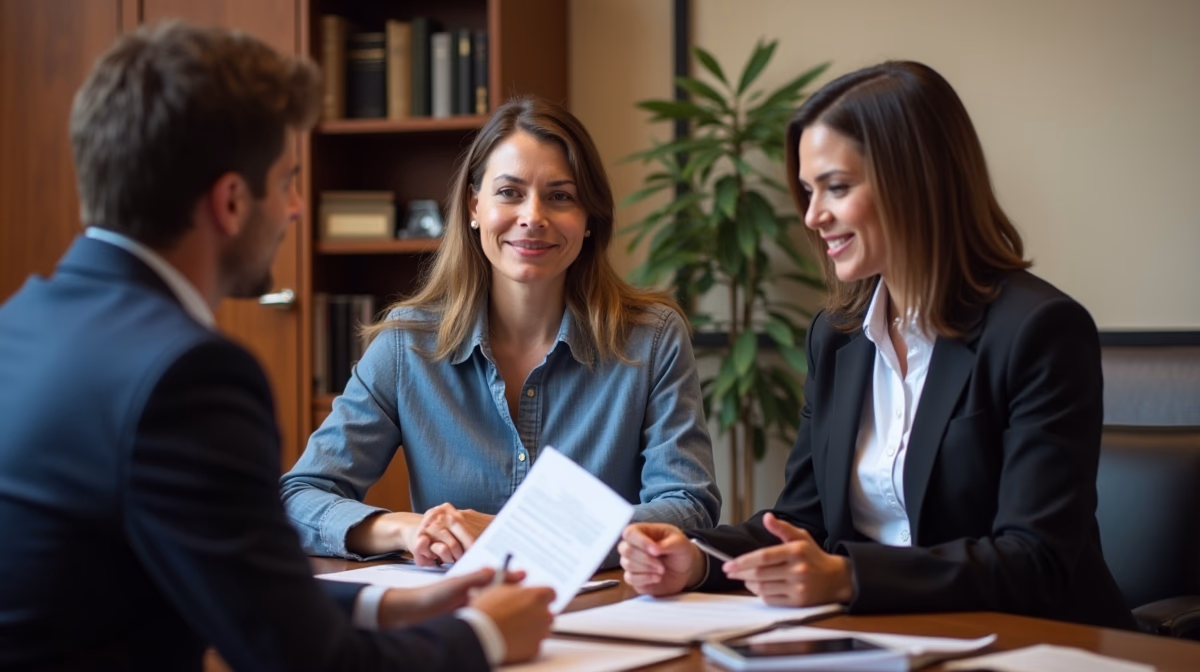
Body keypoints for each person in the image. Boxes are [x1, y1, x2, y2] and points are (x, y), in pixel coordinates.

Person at [0, 21, 554, 671]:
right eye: (289, 180)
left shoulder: (22, 323)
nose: (296, 207)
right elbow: (304, 661)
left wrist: (390, 604)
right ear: (232, 202)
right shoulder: (188, 375)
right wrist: (485, 636)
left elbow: (230, 584)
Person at [617, 60, 1135, 629]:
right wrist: (698, 559)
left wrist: (848, 577)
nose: (813, 216)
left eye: (836, 188)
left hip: (1034, 642)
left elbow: (1035, 561)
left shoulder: (1039, 329)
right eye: (809, 191)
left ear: (916, 180)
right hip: (882, 637)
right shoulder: (836, 336)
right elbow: (802, 523)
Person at [281, 96, 721, 568]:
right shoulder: (405, 345)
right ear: (474, 206)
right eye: (509, 192)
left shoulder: (651, 339)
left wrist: (516, 535)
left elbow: (688, 506)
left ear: (589, 218)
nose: (533, 217)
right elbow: (299, 498)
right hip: (455, 608)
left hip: (603, 605)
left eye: (560, 196)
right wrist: (408, 528)